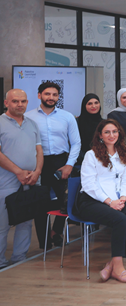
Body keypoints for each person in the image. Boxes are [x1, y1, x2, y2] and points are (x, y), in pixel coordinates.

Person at [78, 119, 126, 282]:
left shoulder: (123, 155)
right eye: (107, 132)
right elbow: (89, 185)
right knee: (120, 220)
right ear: (100, 135)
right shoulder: (91, 155)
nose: (111, 135)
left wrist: (123, 198)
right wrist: (109, 201)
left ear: (119, 134)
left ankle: (112, 264)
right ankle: (118, 269)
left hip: (117, 199)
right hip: (91, 201)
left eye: (114, 131)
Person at [24, 81, 80, 250]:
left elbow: (76, 143)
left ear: (58, 97)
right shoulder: (28, 117)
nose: (51, 97)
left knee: (67, 201)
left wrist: (69, 165)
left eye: (54, 94)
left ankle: (56, 231)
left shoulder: (67, 116)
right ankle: (45, 243)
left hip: (61, 163)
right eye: (47, 94)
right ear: (39, 95)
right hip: (37, 164)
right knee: (40, 204)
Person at [0, 89, 42, 268]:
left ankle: (19, 258)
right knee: (2, 224)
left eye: (23, 101)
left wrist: (37, 171)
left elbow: (39, 150)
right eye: (15, 101)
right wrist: (18, 171)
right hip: (5, 182)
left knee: (25, 221)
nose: (20, 104)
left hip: (30, 181)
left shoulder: (32, 124)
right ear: (6, 103)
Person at [77, 93, 103, 158]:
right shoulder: (77, 122)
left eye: (96, 103)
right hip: (81, 158)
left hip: (101, 157)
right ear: (84, 106)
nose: (93, 106)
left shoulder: (104, 123)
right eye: (90, 104)